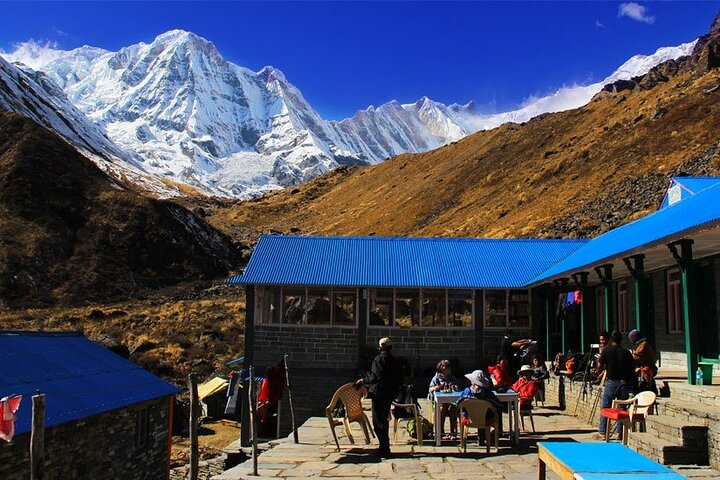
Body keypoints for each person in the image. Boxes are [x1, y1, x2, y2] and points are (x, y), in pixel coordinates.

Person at [357, 337, 404, 458]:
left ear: (380, 347)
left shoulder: (379, 360)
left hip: (379, 394)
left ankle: (384, 448)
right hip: (390, 393)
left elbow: (375, 377)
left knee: (378, 422)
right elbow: (400, 378)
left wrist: (363, 380)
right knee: (385, 420)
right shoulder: (395, 361)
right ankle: (385, 446)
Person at [596, 330, 636, 440]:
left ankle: (603, 432)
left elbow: (599, 365)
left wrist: (601, 369)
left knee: (605, 406)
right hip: (623, 382)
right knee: (621, 408)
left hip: (611, 381)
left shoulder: (606, 351)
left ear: (611, 340)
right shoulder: (626, 352)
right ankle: (620, 433)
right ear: (620, 340)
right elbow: (631, 369)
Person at [457, 369, 503, 435]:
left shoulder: (466, 392)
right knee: (495, 411)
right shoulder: (488, 394)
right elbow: (499, 405)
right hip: (486, 420)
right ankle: (498, 432)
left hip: (469, 419)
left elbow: (458, 404)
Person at [427, 359, 459, 439]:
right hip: (438, 402)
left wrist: (455, 387)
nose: (449, 368)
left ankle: (453, 432)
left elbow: (457, 388)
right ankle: (441, 432)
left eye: (450, 366)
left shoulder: (452, 378)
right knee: (442, 407)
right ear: (441, 368)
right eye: (447, 366)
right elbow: (430, 389)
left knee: (453, 408)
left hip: (451, 401)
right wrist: (438, 387)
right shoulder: (436, 378)